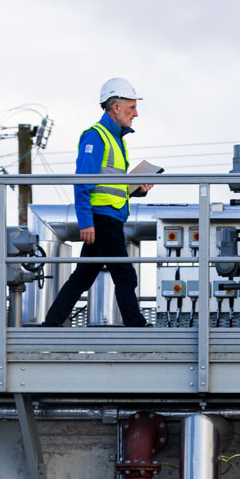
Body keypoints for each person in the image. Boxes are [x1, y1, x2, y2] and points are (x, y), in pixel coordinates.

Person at [42, 78, 152, 327]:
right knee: (124, 274)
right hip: (102, 220)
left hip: (107, 217)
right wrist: (86, 223)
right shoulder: (95, 137)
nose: (136, 113)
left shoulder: (117, 139)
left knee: (83, 276)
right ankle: (137, 326)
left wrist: (137, 190)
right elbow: (83, 182)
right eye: (131, 107)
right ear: (116, 107)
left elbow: (111, 187)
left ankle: (51, 324)